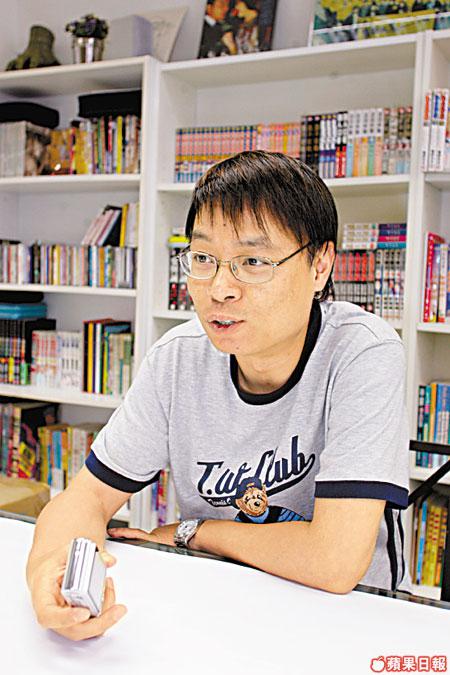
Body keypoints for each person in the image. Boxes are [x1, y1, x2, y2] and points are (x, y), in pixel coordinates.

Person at [26, 151, 411, 642]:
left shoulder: (363, 352)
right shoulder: (178, 358)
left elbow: (334, 561)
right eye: (204, 259)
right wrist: (48, 575)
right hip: (216, 603)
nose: (220, 288)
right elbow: (86, 496)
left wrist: (192, 533)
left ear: (320, 266)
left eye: (253, 261)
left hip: (351, 619)